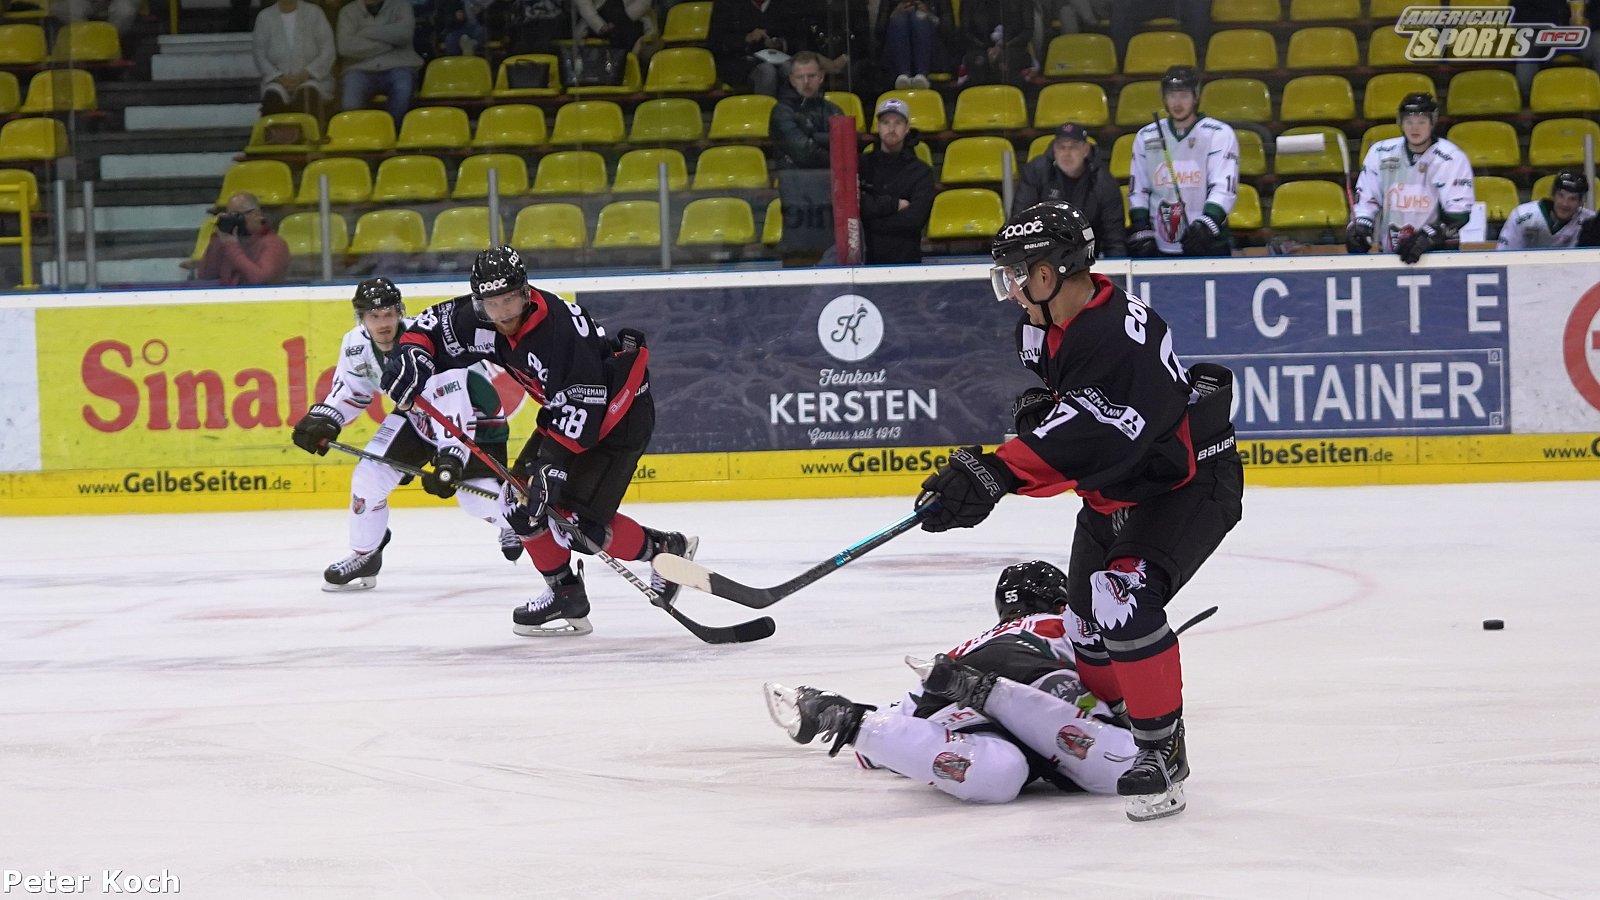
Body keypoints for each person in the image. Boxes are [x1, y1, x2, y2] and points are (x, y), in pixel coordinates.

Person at [911, 201, 1244, 821]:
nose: (1011, 291)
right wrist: (1041, 417)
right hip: (1120, 487)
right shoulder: (1041, 325)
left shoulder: (1115, 338)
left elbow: (1100, 436)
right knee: (1086, 625)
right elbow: (1076, 412)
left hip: (1185, 484)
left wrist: (997, 472)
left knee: (1122, 598)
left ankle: (1160, 751)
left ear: (1049, 273)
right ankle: (1119, 716)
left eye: (1017, 275)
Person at [379, 246, 697, 637]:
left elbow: (586, 403)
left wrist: (552, 464)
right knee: (519, 502)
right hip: (563, 415)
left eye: (509, 301)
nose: (503, 314)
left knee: (577, 526)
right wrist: (412, 354)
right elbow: (432, 326)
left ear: (526, 293)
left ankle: (664, 549)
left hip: (617, 417)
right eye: (492, 304)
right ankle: (565, 594)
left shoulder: (560, 331)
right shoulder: (484, 319)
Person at [766, 561, 1139, 804]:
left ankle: (847, 721)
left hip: (953, 691)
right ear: (1061, 604)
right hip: (1030, 675)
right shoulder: (1063, 624)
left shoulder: (968, 645)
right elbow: (1118, 676)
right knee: (1123, 767)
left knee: (1003, 773)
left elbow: (899, 719)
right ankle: (989, 693)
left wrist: (870, 738)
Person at [291, 278, 522, 591]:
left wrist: (450, 458)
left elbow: (452, 402)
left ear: (399, 312)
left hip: (477, 417)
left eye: (388, 314)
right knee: (368, 478)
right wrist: (325, 418)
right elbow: (351, 392)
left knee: (474, 497)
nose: (383, 323)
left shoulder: (426, 340)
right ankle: (366, 553)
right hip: (417, 415)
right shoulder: (356, 345)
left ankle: (513, 522)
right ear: (361, 318)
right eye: (374, 316)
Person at [1347, 93, 1475, 265]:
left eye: (1421, 122)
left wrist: (1430, 235)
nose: (1415, 128)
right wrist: (1361, 226)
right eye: (1409, 121)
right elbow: (1366, 199)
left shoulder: (1451, 157)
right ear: (1400, 122)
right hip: (1390, 255)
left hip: (1441, 257)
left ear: (1432, 122)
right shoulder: (1381, 152)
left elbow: (1459, 213)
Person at [1128, 65, 1238, 258]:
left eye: (1184, 95)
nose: (1177, 102)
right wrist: (1141, 226)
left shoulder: (1218, 133)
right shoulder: (1146, 135)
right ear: (1164, 98)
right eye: (1172, 95)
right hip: (1160, 243)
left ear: (1195, 97)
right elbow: (1138, 188)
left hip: (1208, 242)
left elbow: (1223, 186)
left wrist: (1206, 225)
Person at [770, 51, 844, 266]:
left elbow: (846, 151)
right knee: (798, 262)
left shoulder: (834, 110)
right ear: (792, 79)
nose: (806, 82)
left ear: (821, 77)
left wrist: (813, 138)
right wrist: (827, 144)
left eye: (811, 76)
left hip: (830, 201)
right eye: (800, 77)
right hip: (797, 202)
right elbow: (803, 152)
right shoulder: (781, 112)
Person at [1016, 122, 1127, 258]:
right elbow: (1019, 225)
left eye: (1073, 147)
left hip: (1087, 259)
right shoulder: (1036, 172)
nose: (1066, 153)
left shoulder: (1103, 182)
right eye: (1061, 147)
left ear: (1085, 150)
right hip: (1041, 258)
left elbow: (1114, 240)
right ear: (1054, 149)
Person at [858, 97, 935, 265]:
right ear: (878, 127)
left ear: (907, 128)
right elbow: (855, 206)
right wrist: (894, 205)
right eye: (886, 122)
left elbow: (914, 219)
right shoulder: (861, 165)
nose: (891, 128)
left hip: (906, 262)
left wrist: (870, 222)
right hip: (864, 263)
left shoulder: (921, 172)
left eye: (898, 123)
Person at [336, 0, 423, 124]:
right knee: (350, 102)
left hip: (398, 66)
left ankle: (392, 130)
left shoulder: (402, 6)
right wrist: (389, 44)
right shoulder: (347, 12)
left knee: (403, 88)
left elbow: (404, 34)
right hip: (359, 70)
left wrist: (366, 32)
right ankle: (359, 135)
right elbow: (345, 47)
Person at [252, 0, 337, 120]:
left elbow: (328, 50)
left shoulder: (314, 13)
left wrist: (305, 75)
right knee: (272, 98)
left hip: (313, 79)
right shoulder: (264, 17)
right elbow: (259, 54)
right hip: (277, 82)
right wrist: (279, 78)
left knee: (307, 95)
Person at [708, 0, 808, 96]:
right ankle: (765, 107)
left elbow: (798, 37)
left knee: (792, 69)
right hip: (741, 61)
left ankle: (793, 107)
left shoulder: (787, 4)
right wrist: (746, 38)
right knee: (767, 72)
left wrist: (780, 43)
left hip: (779, 57)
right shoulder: (727, 4)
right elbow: (716, 41)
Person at [189, 192, 291, 286]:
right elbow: (206, 274)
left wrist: (232, 247)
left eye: (237, 215)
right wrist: (218, 239)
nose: (234, 220)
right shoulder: (230, 242)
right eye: (230, 215)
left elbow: (260, 279)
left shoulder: (274, 243)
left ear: (257, 214)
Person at [1497, 172, 1594, 250]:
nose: (1565, 204)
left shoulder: (1590, 222)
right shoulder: (1521, 216)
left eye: (1573, 199)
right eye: (1561, 196)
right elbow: (1504, 253)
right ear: (1553, 195)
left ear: (1581, 202)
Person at [875, 0, 953, 89]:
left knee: (919, 18)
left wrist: (929, 16)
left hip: (932, 53)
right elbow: (879, 32)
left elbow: (949, 32)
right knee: (899, 20)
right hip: (894, 55)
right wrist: (893, 14)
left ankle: (922, 75)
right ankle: (903, 75)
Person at [956, 0, 1035, 85]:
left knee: (1005, 62)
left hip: (1013, 47)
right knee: (979, 62)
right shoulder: (969, 2)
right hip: (979, 48)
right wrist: (986, 48)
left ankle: (1014, 92)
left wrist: (1002, 47)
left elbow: (1027, 32)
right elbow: (965, 33)